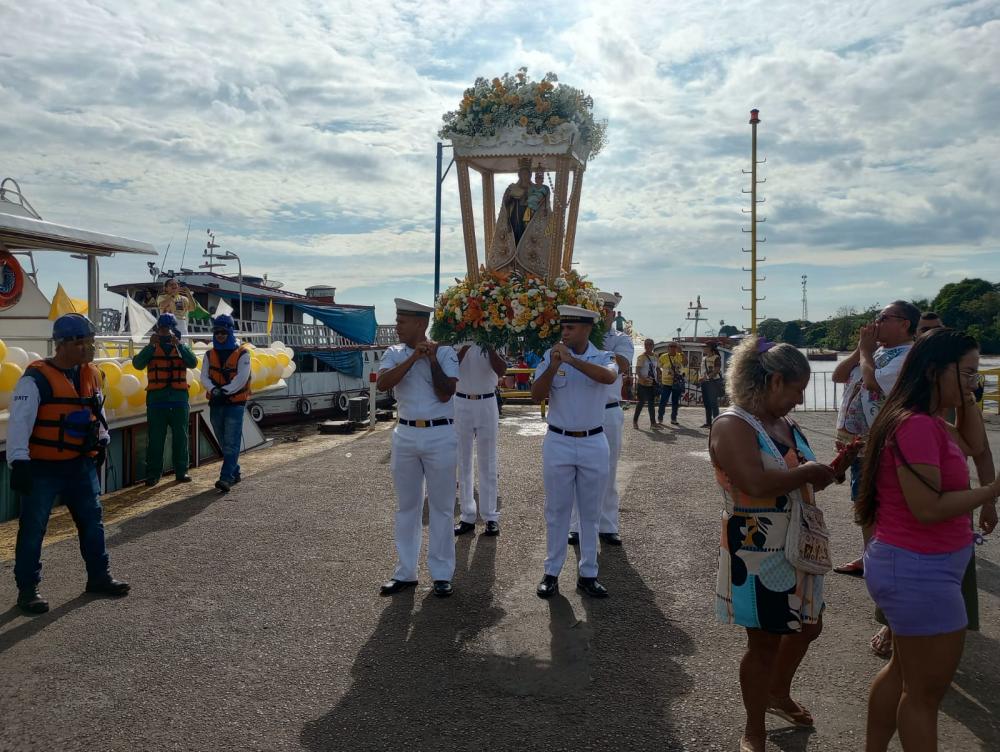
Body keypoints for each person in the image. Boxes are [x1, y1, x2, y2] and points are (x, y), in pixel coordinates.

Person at [857, 329, 1000, 752]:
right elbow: (929, 507)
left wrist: (966, 390)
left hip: (915, 567)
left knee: (903, 674)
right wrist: (992, 492)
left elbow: (975, 443)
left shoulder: (928, 419)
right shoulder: (917, 426)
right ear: (935, 371)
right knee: (923, 697)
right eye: (970, 372)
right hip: (920, 572)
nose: (976, 381)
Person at [709, 337, 836, 752]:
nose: (800, 400)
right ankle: (754, 728)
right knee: (762, 643)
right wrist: (808, 473)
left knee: (809, 626)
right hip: (756, 549)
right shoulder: (733, 424)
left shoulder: (785, 424)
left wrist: (827, 470)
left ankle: (777, 694)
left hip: (798, 543)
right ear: (775, 380)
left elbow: (798, 473)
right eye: (797, 389)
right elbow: (755, 482)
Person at [7, 314, 130, 614]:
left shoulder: (91, 374)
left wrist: (102, 441)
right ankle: (27, 590)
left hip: (80, 465)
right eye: (81, 342)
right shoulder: (34, 380)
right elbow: (19, 424)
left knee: (93, 522)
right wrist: (19, 462)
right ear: (61, 345)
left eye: (90, 341)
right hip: (42, 468)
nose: (88, 347)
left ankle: (99, 576)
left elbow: (97, 413)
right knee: (33, 528)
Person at [532, 305, 617, 599]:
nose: (565, 333)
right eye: (563, 328)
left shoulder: (603, 357)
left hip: (593, 440)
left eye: (571, 328)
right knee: (556, 510)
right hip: (559, 441)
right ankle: (551, 572)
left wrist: (573, 361)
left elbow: (608, 378)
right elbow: (535, 394)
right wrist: (556, 365)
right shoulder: (551, 356)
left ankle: (588, 573)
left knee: (590, 513)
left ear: (587, 329)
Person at [376, 298, 459, 598]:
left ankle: (441, 573)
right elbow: (383, 384)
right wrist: (413, 360)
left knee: (441, 507)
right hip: (406, 434)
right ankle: (406, 572)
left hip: (440, 434)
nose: (397, 325)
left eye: (402, 321)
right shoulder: (393, 352)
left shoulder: (446, 352)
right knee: (407, 507)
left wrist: (432, 359)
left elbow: (446, 392)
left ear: (421, 324)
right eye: (398, 319)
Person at [832, 300, 920, 579]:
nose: (876, 324)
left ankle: (880, 559)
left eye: (884, 318)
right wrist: (862, 348)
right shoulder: (875, 352)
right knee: (863, 499)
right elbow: (838, 375)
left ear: (904, 324)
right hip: (859, 443)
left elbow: (873, 383)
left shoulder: (909, 356)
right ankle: (872, 555)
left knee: (876, 501)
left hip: (883, 442)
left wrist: (867, 353)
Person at [569, 291, 634, 546]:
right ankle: (575, 525)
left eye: (607, 310)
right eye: (599, 310)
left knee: (608, 469)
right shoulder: (580, 342)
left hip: (608, 410)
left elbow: (622, 364)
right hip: (582, 410)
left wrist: (594, 347)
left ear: (612, 314)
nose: (604, 314)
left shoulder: (620, 339)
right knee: (576, 469)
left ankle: (607, 524)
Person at [132, 313, 198, 486]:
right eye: (162, 329)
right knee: (155, 439)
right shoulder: (152, 347)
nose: (165, 333)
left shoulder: (181, 347)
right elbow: (138, 364)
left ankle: (181, 471)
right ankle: (153, 474)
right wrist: (150, 346)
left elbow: (193, 363)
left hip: (179, 400)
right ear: (157, 330)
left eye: (168, 329)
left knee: (180, 438)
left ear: (174, 331)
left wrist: (180, 346)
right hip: (156, 401)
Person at [453, 343, 506, 537]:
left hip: (487, 401)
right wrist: (464, 349)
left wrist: (490, 347)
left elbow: (502, 370)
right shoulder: (454, 337)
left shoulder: (492, 335)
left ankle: (490, 517)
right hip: (461, 401)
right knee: (463, 461)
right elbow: (448, 367)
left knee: (488, 460)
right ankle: (467, 515)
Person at [199, 314, 251, 492]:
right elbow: (203, 376)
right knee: (222, 440)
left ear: (230, 331)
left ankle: (226, 478)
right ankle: (235, 471)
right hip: (216, 402)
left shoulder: (243, 353)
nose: (220, 335)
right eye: (217, 332)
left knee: (231, 440)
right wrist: (214, 391)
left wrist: (225, 391)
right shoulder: (209, 354)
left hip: (234, 404)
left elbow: (242, 378)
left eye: (223, 331)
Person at [633, 338, 659, 429]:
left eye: (650, 344)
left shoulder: (656, 356)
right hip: (643, 384)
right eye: (646, 344)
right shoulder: (641, 357)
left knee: (651, 404)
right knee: (641, 403)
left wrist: (658, 379)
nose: (648, 346)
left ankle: (653, 423)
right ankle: (635, 421)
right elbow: (638, 370)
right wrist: (642, 378)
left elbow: (657, 369)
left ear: (653, 346)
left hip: (652, 383)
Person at [658, 341, 686, 425]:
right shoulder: (663, 357)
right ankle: (660, 417)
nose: (673, 348)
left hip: (676, 382)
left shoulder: (680, 356)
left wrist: (682, 353)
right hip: (666, 382)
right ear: (668, 348)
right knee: (663, 400)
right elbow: (658, 367)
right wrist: (660, 377)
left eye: (675, 346)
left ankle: (673, 418)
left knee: (675, 401)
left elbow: (685, 363)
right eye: (671, 346)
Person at [700, 340, 724, 427]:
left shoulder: (716, 357)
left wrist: (707, 377)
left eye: (705, 347)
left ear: (710, 348)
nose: (704, 348)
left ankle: (716, 423)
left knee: (713, 403)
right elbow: (702, 371)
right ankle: (708, 422)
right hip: (704, 382)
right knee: (706, 403)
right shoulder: (704, 358)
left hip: (713, 382)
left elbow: (717, 370)